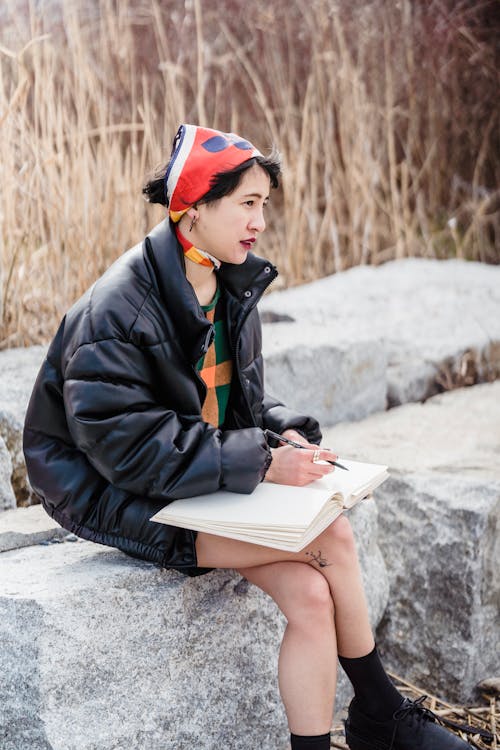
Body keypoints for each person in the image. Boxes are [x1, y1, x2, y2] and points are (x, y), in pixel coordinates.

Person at [23, 124, 470, 750]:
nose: (260, 221)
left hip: (195, 476)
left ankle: (362, 723)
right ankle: (381, 715)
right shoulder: (115, 311)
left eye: (265, 204)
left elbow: (234, 403)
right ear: (194, 206)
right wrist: (260, 464)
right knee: (333, 534)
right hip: (114, 492)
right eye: (247, 204)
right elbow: (128, 449)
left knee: (313, 597)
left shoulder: (228, 278)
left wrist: (280, 433)